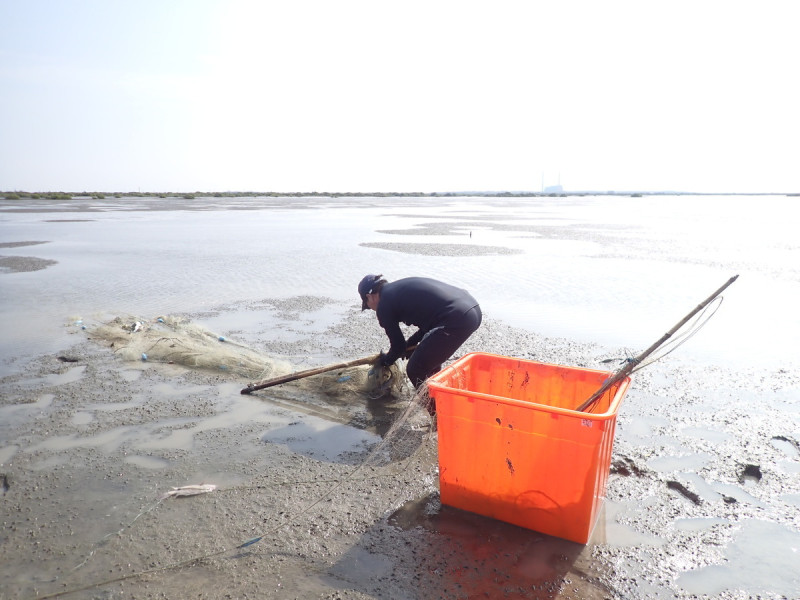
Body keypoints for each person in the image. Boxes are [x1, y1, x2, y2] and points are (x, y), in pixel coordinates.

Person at [358, 274, 482, 413]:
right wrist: (411, 343)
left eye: (367, 305)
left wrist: (385, 361)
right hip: (472, 310)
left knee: (415, 370)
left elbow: (397, 347)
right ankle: (442, 402)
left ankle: (438, 416)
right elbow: (430, 323)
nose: (372, 308)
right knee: (429, 362)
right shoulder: (397, 289)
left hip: (456, 318)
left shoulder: (383, 306)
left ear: (369, 297)